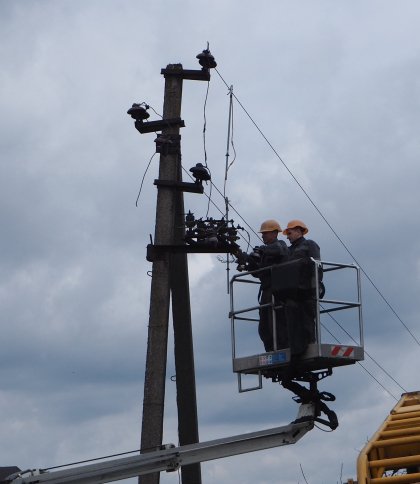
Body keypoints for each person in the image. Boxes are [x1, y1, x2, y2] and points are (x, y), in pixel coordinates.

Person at [237, 219, 289, 352]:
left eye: (265, 233)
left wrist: (261, 250)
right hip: (266, 291)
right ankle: (270, 350)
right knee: (264, 327)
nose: (263, 236)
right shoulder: (265, 253)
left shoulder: (280, 245)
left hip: (277, 291)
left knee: (277, 324)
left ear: (274, 233)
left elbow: (279, 250)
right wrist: (248, 261)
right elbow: (258, 273)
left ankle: (282, 348)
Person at [282, 219, 322, 354]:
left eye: (290, 233)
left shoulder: (309, 245)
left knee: (307, 320)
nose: (287, 237)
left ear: (299, 231)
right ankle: (296, 347)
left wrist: (315, 287)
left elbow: (317, 266)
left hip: (307, 291)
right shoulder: (288, 251)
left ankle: (310, 344)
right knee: (293, 320)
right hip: (293, 291)